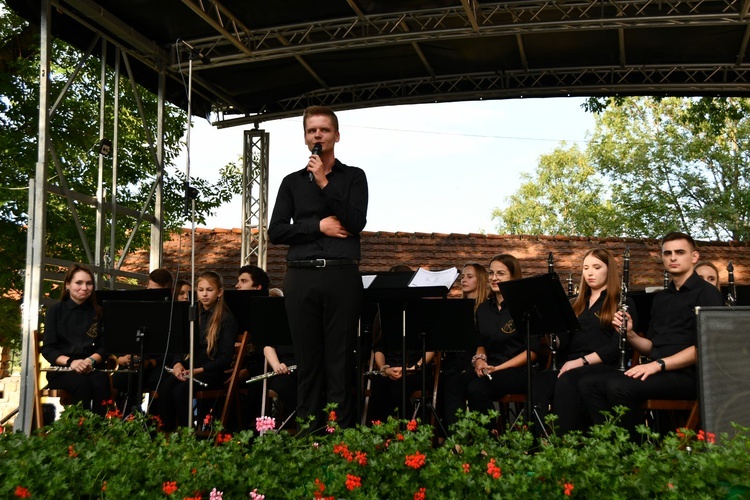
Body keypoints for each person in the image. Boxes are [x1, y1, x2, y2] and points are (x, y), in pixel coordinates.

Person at [268, 105, 368, 431]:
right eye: (312, 131)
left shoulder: (354, 176)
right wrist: (317, 226)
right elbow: (277, 230)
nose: (318, 136)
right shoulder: (292, 183)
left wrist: (325, 183)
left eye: (324, 130)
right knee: (308, 361)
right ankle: (309, 434)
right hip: (301, 274)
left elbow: (355, 222)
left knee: (338, 360)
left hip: (341, 273)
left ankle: (339, 436)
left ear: (336, 136)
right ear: (305, 137)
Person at [578, 232, 724, 436]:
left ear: (694, 257)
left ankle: (632, 453)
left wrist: (658, 365)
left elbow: (706, 348)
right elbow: (652, 346)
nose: (673, 257)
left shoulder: (707, 293)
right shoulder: (661, 298)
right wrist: (629, 334)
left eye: (680, 252)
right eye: (667, 253)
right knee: (588, 383)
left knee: (619, 386)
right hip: (659, 370)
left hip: (689, 376)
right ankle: (609, 444)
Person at [531, 248, 638, 434]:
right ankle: (536, 443)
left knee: (568, 379)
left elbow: (616, 347)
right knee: (538, 381)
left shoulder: (621, 301)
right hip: (571, 363)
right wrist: (549, 330)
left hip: (603, 365)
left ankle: (564, 443)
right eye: (586, 268)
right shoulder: (575, 303)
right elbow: (561, 343)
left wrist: (580, 362)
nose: (590, 273)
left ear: (609, 270)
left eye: (596, 267)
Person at [155, 271, 238, 431]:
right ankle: (168, 434)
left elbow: (225, 359)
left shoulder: (227, 319)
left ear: (220, 292)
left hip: (211, 371)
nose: (204, 294)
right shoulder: (192, 314)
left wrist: (198, 370)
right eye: (201, 290)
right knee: (165, 388)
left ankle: (187, 436)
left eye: (209, 289)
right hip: (189, 367)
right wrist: (178, 363)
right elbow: (181, 346)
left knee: (180, 392)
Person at [466, 254, 538, 424]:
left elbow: (533, 352)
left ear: (514, 276)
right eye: (491, 273)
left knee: (476, 388)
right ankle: (457, 441)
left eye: (501, 273)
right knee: (453, 384)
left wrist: (498, 368)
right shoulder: (483, 309)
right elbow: (481, 342)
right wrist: (480, 360)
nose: (494, 278)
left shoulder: (525, 306)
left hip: (519, 371)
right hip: (490, 369)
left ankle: (491, 441)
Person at [41, 264, 109, 416]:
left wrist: (90, 361)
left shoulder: (99, 312)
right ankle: (80, 432)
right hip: (63, 369)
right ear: (67, 285)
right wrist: (72, 362)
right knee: (82, 384)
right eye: (79, 283)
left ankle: (100, 430)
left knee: (101, 381)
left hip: (90, 367)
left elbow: (103, 347)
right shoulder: (55, 311)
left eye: (89, 283)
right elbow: (48, 349)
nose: (84, 287)